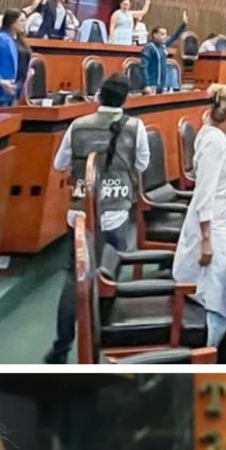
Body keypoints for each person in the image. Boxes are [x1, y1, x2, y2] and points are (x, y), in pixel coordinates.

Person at [45, 77, 150, 362]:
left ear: (99, 96)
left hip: (80, 212)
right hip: (115, 211)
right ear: (126, 99)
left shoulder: (77, 125)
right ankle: (105, 340)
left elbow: (59, 164)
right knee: (110, 275)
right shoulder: (135, 127)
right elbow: (142, 164)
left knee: (74, 277)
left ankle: (61, 347)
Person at [173, 84, 226, 346]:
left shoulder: (219, 135)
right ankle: (206, 353)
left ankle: (212, 350)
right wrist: (206, 240)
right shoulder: (213, 142)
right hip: (211, 229)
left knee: (220, 297)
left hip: (222, 225)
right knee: (214, 301)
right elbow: (205, 195)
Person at [140, 11, 187, 94]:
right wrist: (146, 84)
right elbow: (144, 67)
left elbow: (173, 36)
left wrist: (183, 24)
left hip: (161, 84)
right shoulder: (149, 47)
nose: (164, 36)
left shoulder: (163, 45)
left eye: (165, 34)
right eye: (162, 34)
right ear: (155, 35)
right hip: (152, 84)